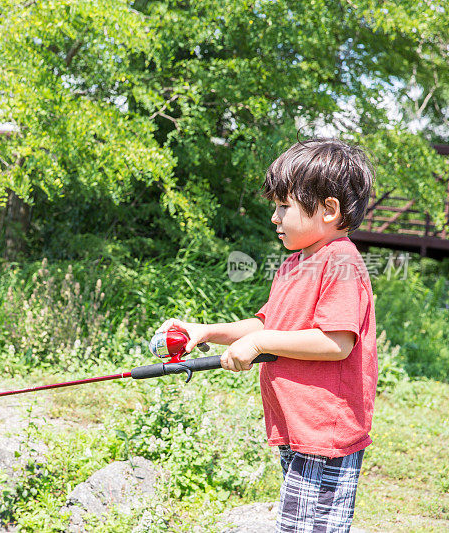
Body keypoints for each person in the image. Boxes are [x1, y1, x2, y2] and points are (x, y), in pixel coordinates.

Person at [157, 138, 377, 533]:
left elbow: (336, 343)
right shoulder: (294, 264)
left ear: (329, 210)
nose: (274, 218)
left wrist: (259, 345)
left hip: (323, 430)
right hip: (296, 425)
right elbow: (265, 325)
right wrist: (207, 331)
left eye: (283, 206)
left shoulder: (341, 260)